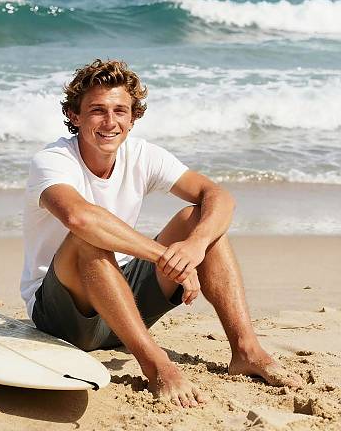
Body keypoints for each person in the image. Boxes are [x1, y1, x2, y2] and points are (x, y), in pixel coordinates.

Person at [21, 59, 302, 407]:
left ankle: (247, 351)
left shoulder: (141, 156)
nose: (110, 122)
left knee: (197, 219)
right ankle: (157, 367)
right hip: (64, 316)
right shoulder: (52, 160)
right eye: (97, 110)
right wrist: (169, 259)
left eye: (120, 110)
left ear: (133, 117)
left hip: (124, 303)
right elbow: (80, 218)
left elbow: (218, 196)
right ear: (75, 115)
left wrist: (195, 246)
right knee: (87, 238)